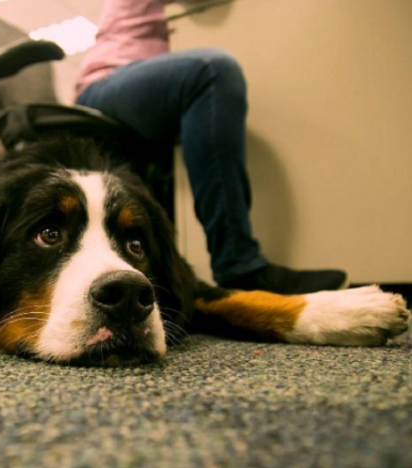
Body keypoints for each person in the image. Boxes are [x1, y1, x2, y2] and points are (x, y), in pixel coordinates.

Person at [74, 0, 347, 294]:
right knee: (211, 70)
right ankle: (239, 263)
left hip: (139, 93)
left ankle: (174, 281)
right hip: (105, 81)